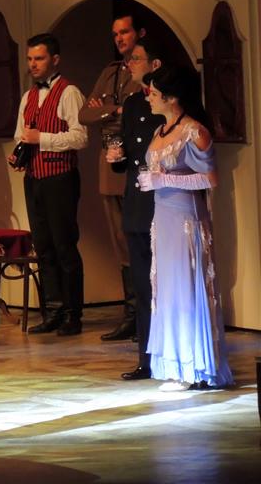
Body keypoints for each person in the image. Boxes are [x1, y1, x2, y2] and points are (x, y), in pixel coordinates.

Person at [137, 65, 233, 391]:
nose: (148, 97)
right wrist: (150, 179)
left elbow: (210, 179)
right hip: (163, 220)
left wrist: (164, 180)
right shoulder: (160, 130)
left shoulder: (194, 132)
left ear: (172, 97)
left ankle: (197, 368)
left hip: (186, 222)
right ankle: (177, 366)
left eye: (153, 93)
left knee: (186, 289)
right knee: (167, 292)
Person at [10, 33, 88, 336]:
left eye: (39, 58)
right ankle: (53, 310)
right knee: (43, 247)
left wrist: (41, 139)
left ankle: (72, 314)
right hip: (34, 179)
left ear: (55, 60)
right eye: (30, 59)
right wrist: (20, 153)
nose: (33, 64)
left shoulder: (69, 92)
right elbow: (21, 135)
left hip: (61, 178)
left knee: (64, 246)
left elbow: (80, 137)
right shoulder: (28, 96)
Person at [78, 15, 145, 342]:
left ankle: (146, 315)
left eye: (125, 31)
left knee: (140, 238)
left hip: (136, 162)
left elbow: (141, 112)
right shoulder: (110, 72)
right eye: (115, 33)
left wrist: (111, 109)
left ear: (139, 33)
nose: (119, 38)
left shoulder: (148, 68)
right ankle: (131, 315)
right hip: (109, 163)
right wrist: (114, 110)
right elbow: (84, 114)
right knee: (120, 241)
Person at [105, 39, 165, 380]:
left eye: (137, 58)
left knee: (166, 284)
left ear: (155, 65)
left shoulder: (170, 103)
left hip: (165, 204)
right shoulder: (131, 104)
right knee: (143, 286)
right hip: (137, 203)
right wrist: (116, 158)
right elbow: (128, 150)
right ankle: (146, 359)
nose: (130, 64)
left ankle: (172, 356)